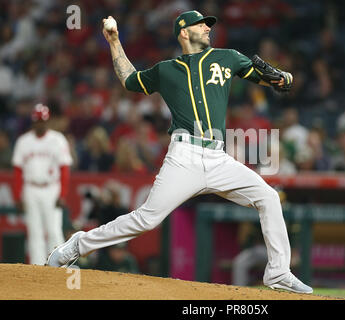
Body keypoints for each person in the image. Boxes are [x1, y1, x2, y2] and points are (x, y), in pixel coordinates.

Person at [47, 11, 313, 294]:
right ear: (184, 32)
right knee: (147, 219)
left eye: (208, 25)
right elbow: (130, 80)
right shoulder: (166, 69)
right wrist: (114, 41)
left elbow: (265, 76)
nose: (208, 29)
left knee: (269, 197)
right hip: (184, 156)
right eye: (201, 25)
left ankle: (279, 273)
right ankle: (77, 245)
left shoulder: (228, 57)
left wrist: (282, 77)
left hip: (218, 157)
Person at [12, 103, 73, 265]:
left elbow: (65, 169)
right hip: (31, 188)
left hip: (51, 188)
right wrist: (17, 196)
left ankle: (59, 266)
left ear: (48, 121)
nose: (40, 123)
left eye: (42, 120)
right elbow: (18, 171)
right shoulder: (23, 141)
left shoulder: (58, 140)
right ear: (33, 122)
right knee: (34, 232)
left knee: (53, 230)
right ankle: (37, 268)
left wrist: (62, 194)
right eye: (37, 120)